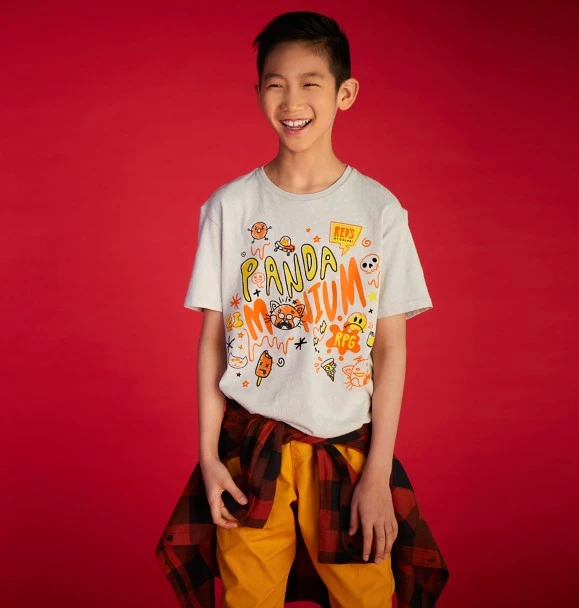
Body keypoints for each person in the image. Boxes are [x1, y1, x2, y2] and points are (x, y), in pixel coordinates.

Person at [156, 10, 449, 608]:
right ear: (258, 91)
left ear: (345, 93)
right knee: (247, 598)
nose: (291, 100)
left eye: (310, 83)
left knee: (367, 597)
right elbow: (213, 337)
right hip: (252, 455)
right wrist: (208, 457)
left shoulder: (379, 211)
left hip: (347, 455)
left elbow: (390, 347)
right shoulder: (230, 207)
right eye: (275, 84)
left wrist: (378, 473)